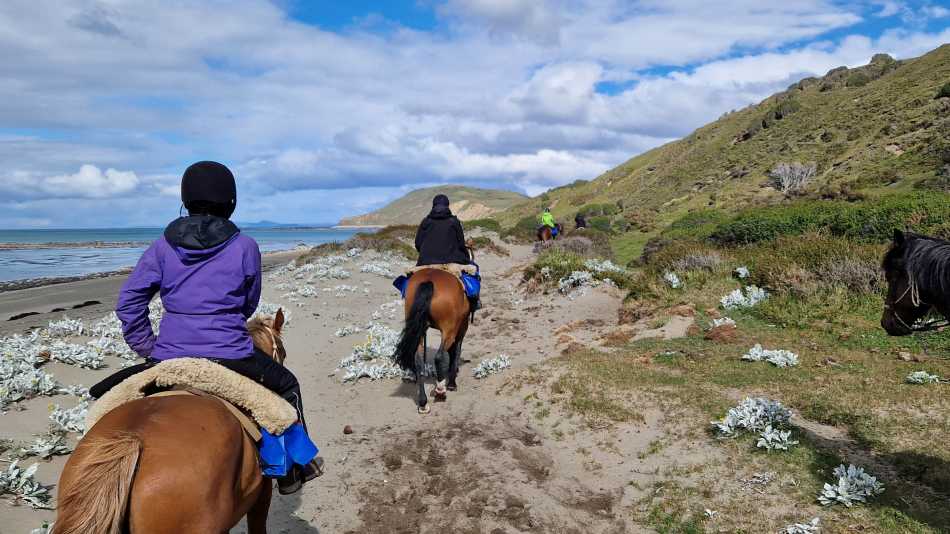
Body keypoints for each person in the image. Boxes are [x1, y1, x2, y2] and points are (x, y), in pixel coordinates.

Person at [89, 161, 320, 495]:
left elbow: (129, 302)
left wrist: (147, 347)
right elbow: (248, 304)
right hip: (231, 354)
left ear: (187, 199)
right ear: (231, 201)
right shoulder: (245, 247)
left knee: (103, 399)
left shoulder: (162, 246)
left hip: (168, 355)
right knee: (288, 385)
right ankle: (293, 470)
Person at [413, 194, 480, 308]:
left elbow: (418, 244)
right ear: (448, 206)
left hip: (427, 262)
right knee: (474, 271)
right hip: (452, 261)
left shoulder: (426, 222)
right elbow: (460, 243)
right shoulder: (454, 221)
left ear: (433, 206)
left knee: (410, 279)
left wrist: (427, 255)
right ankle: (475, 302)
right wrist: (465, 256)